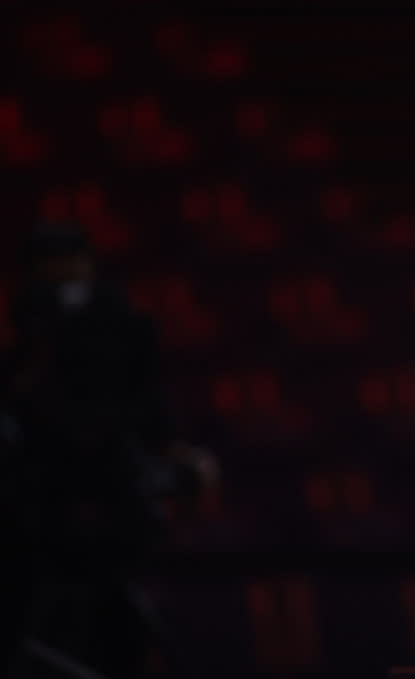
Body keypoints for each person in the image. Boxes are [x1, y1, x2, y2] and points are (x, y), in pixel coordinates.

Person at [1, 223, 218, 678]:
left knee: (115, 622)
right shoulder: (26, 329)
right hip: (42, 500)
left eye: (70, 260)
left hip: (111, 492)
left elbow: (146, 399)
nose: (62, 274)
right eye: (49, 263)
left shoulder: (121, 325)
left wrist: (176, 451)